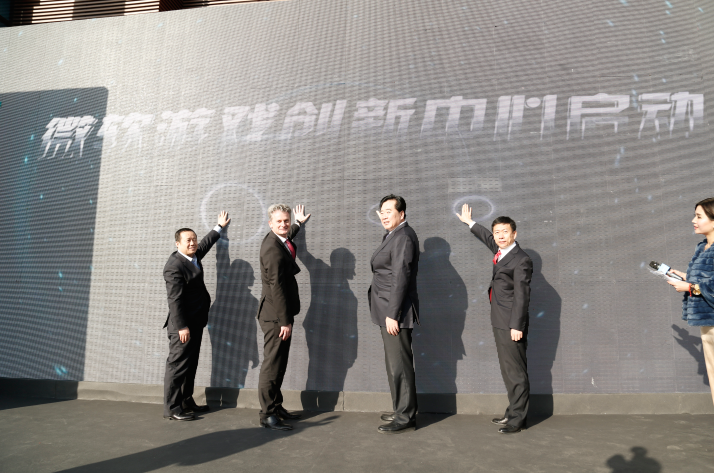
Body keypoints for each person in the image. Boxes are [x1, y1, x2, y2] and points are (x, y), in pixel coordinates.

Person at [456, 204, 532, 434]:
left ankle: (517, 419)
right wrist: (470, 223)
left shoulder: (521, 260)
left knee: (515, 371)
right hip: (500, 319)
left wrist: (516, 326)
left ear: (514, 234)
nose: (499, 236)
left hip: (511, 323)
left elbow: (522, 296)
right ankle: (513, 411)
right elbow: (487, 238)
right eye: (497, 232)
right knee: (508, 370)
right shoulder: (502, 251)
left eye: (504, 232)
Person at [163, 211, 231, 421]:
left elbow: (206, 244)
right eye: (188, 240)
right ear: (178, 244)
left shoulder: (193, 256)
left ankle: (186, 400)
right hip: (183, 326)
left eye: (194, 239)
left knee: (191, 363)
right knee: (177, 366)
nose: (193, 243)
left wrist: (219, 227)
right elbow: (174, 300)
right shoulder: (174, 266)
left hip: (197, 321)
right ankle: (172, 409)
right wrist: (182, 327)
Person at [257, 203, 310, 430]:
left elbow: (288, 235)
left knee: (280, 364)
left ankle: (276, 406)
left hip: (280, 314)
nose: (283, 225)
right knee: (272, 365)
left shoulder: (280, 240)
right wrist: (284, 321)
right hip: (275, 317)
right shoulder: (271, 249)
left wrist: (298, 223)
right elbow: (276, 287)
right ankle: (267, 414)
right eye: (278, 221)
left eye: (286, 221)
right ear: (270, 224)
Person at [369, 194, 420, 434]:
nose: (384, 215)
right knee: (394, 363)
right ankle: (401, 408)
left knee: (399, 364)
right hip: (387, 308)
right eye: (382, 211)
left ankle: (405, 416)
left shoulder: (403, 237)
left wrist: (393, 313)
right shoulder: (394, 234)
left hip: (394, 311)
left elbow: (401, 276)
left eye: (389, 211)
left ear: (402, 213)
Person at [666, 197, 714, 406]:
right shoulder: (702, 247)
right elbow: (706, 279)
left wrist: (690, 288)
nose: (694, 221)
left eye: (699, 216)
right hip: (708, 321)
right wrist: (684, 276)